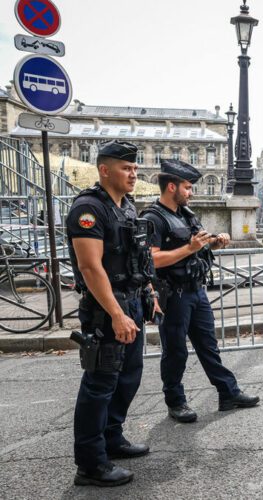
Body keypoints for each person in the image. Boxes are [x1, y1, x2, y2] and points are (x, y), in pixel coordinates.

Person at [141, 160, 259, 424]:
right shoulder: (153, 218)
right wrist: (190, 249)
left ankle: (228, 393)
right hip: (173, 295)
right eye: (187, 187)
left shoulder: (186, 214)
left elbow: (201, 245)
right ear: (171, 187)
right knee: (175, 352)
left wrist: (217, 241)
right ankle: (176, 401)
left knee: (209, 346)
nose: (191, 192)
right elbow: (152, 260)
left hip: (196, 291)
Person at [67, 140, 154, 487]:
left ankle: (111, 438)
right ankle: (90, 464)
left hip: (130, 300)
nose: (133, 173)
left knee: (128, 375)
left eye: (134, 168)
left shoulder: (128, 208)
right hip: (106, 307)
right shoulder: (88, 209)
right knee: (100, 384)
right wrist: (117, 314)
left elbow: (138, 257)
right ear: (104, 169)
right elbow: (90, 268)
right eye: (125, 168)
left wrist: (148, 292)